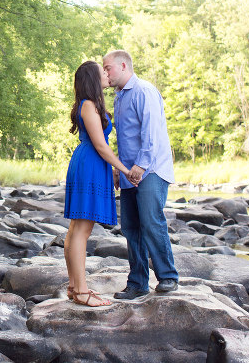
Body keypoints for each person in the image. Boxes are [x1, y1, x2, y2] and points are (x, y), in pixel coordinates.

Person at [102, 50, 180, 299]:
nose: (105, 74)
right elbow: (124, 139)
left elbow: (152, 132)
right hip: (129, 172)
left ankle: (168, 277)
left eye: (108, 68)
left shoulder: (144, 91)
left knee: (151, 221)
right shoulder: (118, 97)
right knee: (131, 227)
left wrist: (142, 166)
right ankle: (137, 282)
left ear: (123, 65)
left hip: (151, 170)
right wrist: (118, 169)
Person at [64, 61, 138, 307]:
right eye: (102, 72)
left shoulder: (88, 105)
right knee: (81, 230)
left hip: (92, 164)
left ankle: (75, 287)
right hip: (90, 164)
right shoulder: (88, 106)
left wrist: (114, 171)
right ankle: (82, 291)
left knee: (77, 229)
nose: (107, 74)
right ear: (93, 79)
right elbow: (101, 146)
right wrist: (124, 169)